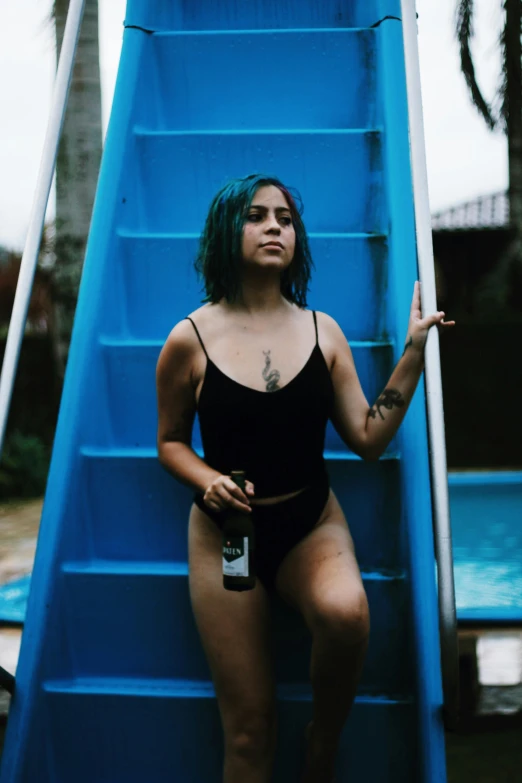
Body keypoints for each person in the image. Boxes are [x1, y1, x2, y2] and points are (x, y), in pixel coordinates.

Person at [155, 173, 454, 783]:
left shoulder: (324, 332)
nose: (274, 227)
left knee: (347, 614)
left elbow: (368, 439)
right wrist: (205, 478)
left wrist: (414, 353)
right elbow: (169, 442)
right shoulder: (189, 339)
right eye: (257, 216)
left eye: (285, 219)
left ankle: (324, 739)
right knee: (247, 732)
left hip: (309, 524)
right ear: (224, 232)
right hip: (228, 536)